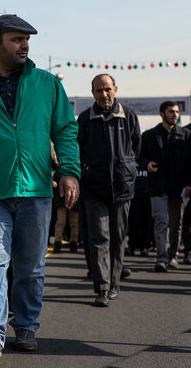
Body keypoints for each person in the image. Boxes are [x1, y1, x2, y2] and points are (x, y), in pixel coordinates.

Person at [0, 14, 80, 363]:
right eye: (17, 39)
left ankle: (25, 326)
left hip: (36, 189)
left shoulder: (47, 84)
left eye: (27, 40)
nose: (25, 46)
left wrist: (68, 171)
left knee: (31, 265)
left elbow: (65, 129)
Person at [77, 74, 141, 307]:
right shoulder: (85, 118)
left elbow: (136, 146)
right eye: (98, 91)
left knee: (118, 238)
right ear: (92, 93)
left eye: (107, 89)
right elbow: (78, 149)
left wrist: (128, 168)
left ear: (116, 89)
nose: (104, 95)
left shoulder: (129, 116)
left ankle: (115, 283)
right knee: (99, 238)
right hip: (94, 188)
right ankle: (102, 287)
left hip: (123, 187)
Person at [137, 101, 191, 272]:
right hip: (157, 186)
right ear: (162, 114)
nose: (175, 114)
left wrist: (189, 184)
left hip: (178, 188)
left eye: (176, 112)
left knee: (176, 225)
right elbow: (139, 156)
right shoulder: (150, 135)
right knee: (161, 221)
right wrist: (147, 164)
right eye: (171, 112)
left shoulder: (186, 135)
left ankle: (173, 256)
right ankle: (161, 258)